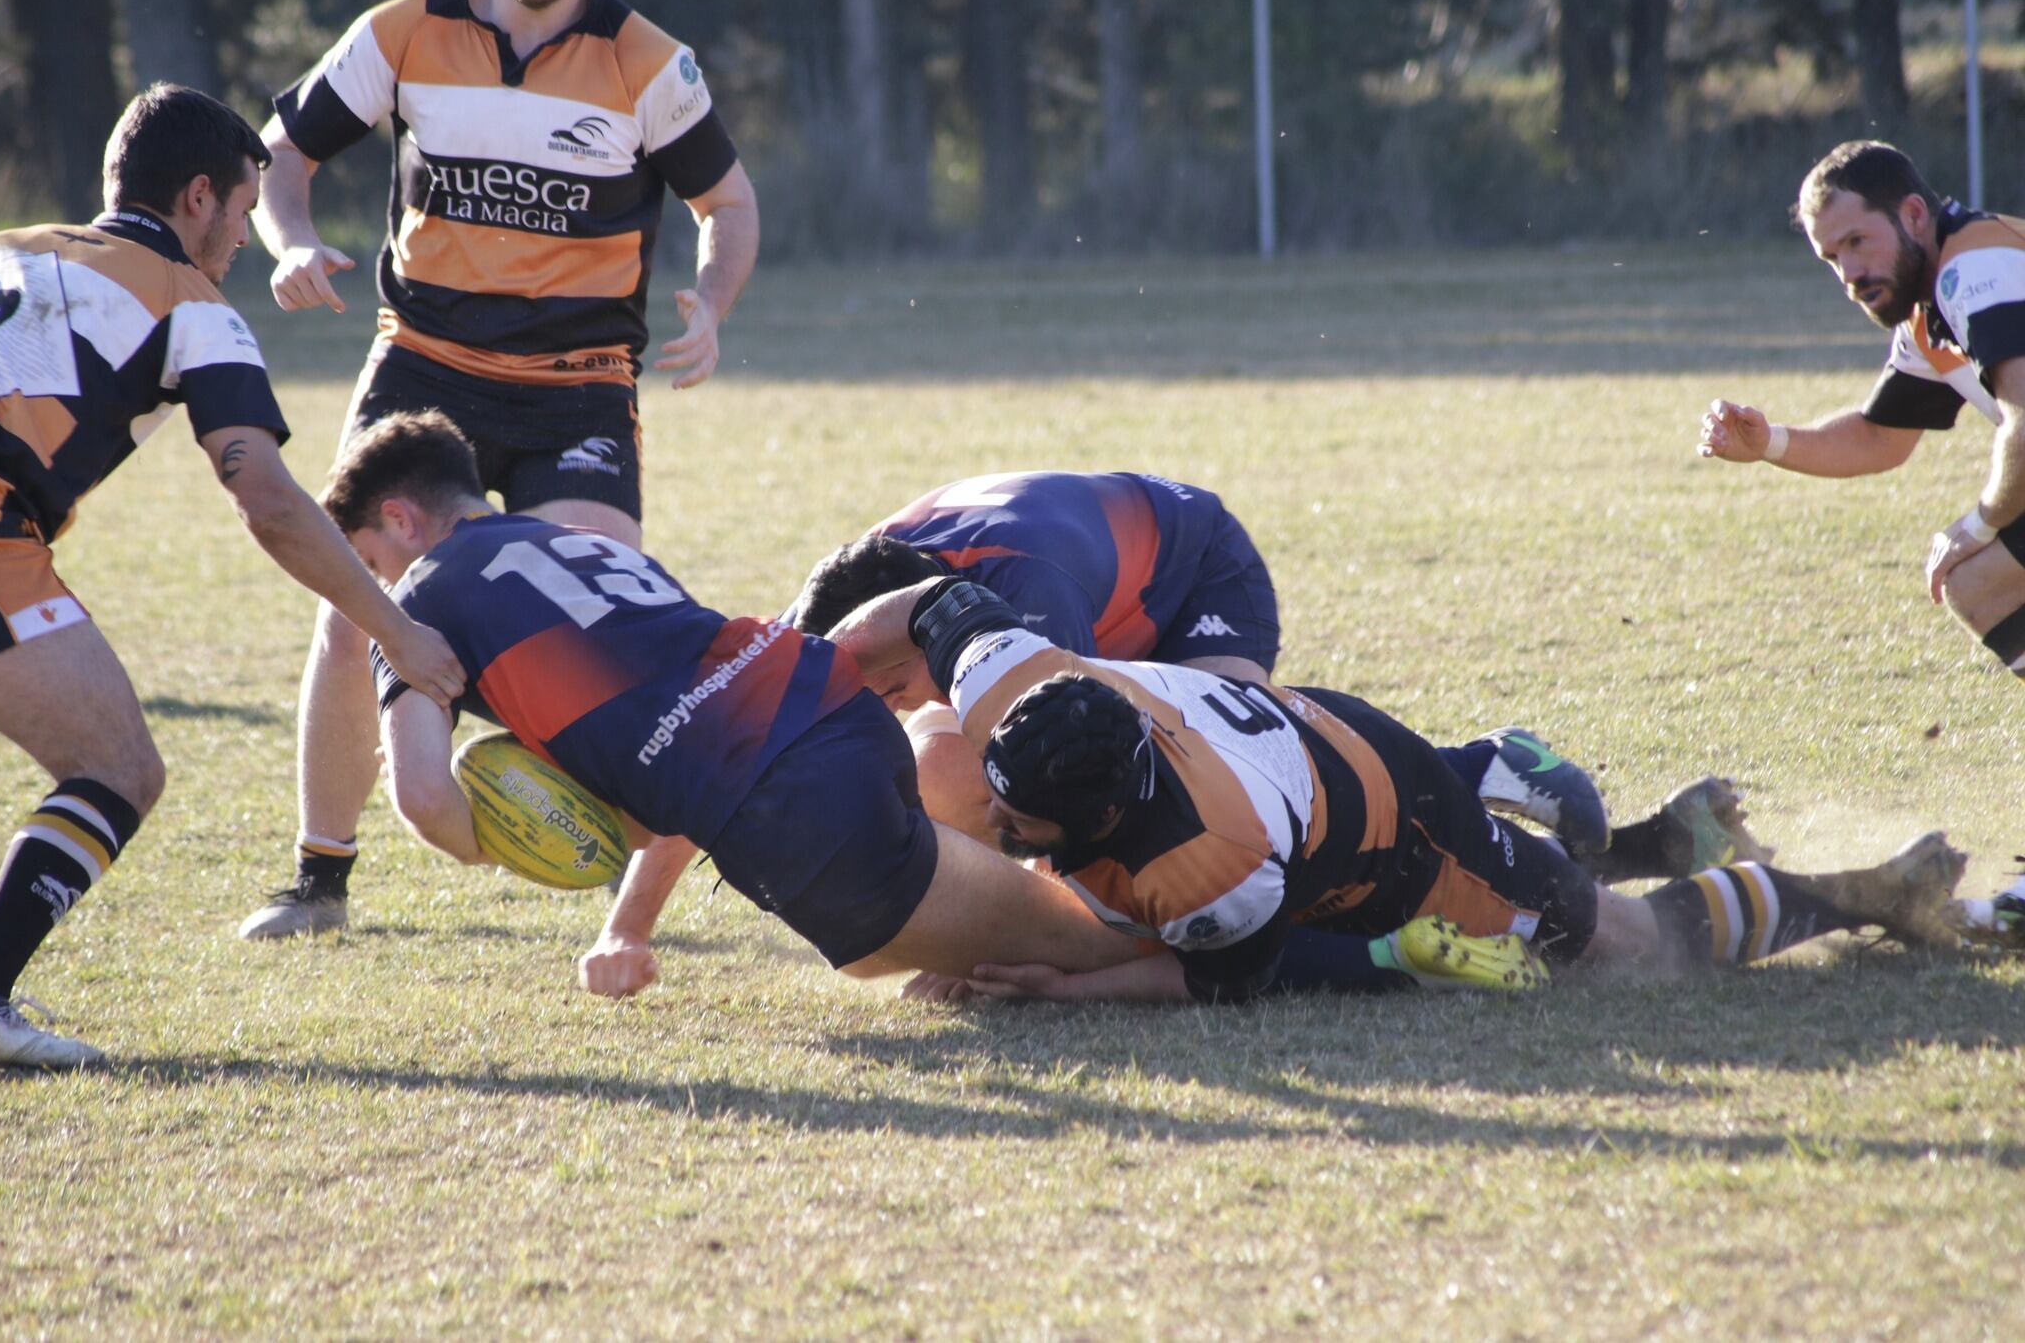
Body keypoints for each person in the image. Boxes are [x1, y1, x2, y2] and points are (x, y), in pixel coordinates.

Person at [318, 410, 1181, 996]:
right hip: (833, 708)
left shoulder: (421, 599)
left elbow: (427, 799)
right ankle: (1125, 900)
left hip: (798, 809)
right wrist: (628, 926)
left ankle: (1274, 939)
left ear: (401, 520)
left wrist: (500, 841)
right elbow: (698, 727)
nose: (374, 592)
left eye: (369, 563)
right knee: (898, 957)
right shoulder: (570, 539)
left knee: (1087, 952)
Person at [238, 0, 759, 939]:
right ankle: (320, 878)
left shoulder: (646, 60)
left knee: (601, 605)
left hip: (580, 381)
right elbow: (281, 154)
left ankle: (621, 847)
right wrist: (292, 241)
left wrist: (714, 303)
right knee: (354, 607)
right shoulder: (401, 32)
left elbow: (725, 199)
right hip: (425, 364)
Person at [832, 577, 1973, 1005]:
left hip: (1388, 823)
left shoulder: (1205, 865)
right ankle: (1654, 830)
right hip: (1297, 753)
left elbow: (1228, 972)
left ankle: (1866, 894)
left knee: (1617, 945)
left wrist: (1058, 990)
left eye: (1021, 823)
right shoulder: (1016, 683)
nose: (998, 823)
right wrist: (813, 672)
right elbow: (932, 599)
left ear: (1099, 818)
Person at [0, 86, 466, 1069]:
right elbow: (272, 501)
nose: (245, 235)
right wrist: (396, 628)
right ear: (198, 198)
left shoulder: (5, 245)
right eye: (245, 209)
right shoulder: (191, 305)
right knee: (120, 769)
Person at [790, 469, 1610, 854]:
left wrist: (985, 940)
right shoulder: (845, 605)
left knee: (1245, 755)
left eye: (893, 688)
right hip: (1088, 588)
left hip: (1200, 571)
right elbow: (729, 726)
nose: (893, 705)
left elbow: (1063, 775)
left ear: (917, 627)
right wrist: (650, 915)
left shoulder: (1025, 586)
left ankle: (1484, 765)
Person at [1698, 141, 2025, 685]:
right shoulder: (1929, 305)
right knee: (1975, 581)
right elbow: (1881, 436)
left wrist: (1982, 522)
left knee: (1979, 577)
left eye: (1857, 241)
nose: (1849, 272)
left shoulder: (1973, 270)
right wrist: (1769, 443)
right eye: (1832, 258)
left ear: (1914, 215)